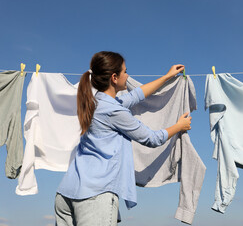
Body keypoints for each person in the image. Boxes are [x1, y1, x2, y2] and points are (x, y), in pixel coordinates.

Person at [55, 51, 192, 226]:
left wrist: (166, 77)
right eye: (125, 71)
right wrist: (179, 126)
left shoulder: (97, 103)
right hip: (94, 196)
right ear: (114, 77)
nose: (128, 75)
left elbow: (137, 95)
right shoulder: (113, 110)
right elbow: (151, 138)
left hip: (66, 193)